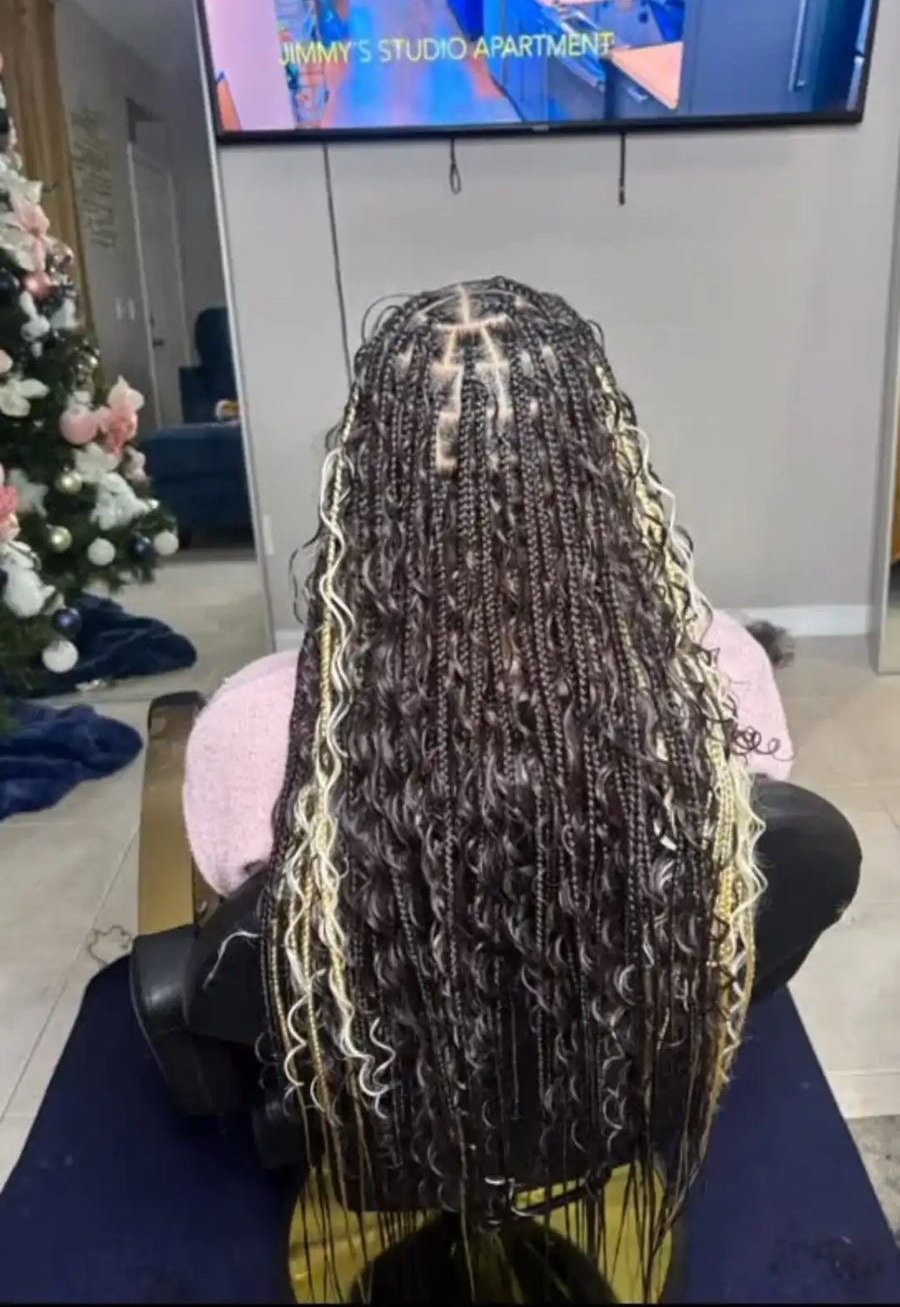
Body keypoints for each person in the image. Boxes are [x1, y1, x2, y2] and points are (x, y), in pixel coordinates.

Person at [190, 279, 861, 1303]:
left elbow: (255, 935)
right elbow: (740, 875)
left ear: (365, 476)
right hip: (616, 1095)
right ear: (603, 469)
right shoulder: (723, 670)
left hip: (387, 1121)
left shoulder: (253, 723)